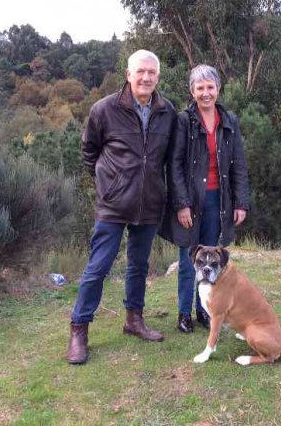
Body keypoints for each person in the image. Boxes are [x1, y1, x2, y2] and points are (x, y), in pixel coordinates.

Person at [67, 50, 176, 364]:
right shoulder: (105, 109)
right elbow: (89, 151)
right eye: (140, 72)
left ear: (157, 77)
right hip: (113, 205)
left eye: (151, 73)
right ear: (128, 74)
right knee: (97, 268)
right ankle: (79, 330)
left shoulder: (166, 110)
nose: (145, 78)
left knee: (139, 266)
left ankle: (134, 320)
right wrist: (107, 183)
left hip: (150, 203)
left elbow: (169, 159)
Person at [160, 64, 250, 333]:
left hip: (218, 201)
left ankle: (204, 310)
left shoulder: (229, 121)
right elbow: (173, 165)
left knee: (211, 259)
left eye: (210, 87)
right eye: (200, 88)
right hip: (191, 201)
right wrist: (181, 204)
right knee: (191, 260)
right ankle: (184, 314)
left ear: (218, 89)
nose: (206, 93)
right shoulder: (184, 120)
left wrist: (241, 202)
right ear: (192, 91)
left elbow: (239, 165)